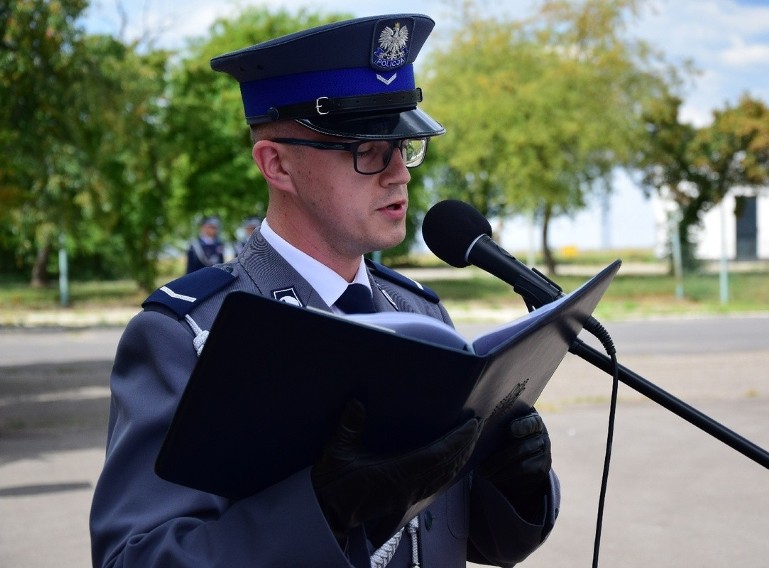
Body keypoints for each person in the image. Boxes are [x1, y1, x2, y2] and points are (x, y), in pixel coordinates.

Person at [90, 14, 559, 568]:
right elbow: (133, 558)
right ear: (277, 165)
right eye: (366, 148)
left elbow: (458, 535)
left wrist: (512, 486)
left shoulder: (419, 312)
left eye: (403, 145)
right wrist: (321, 510)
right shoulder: (192, 334)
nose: (399, 174)